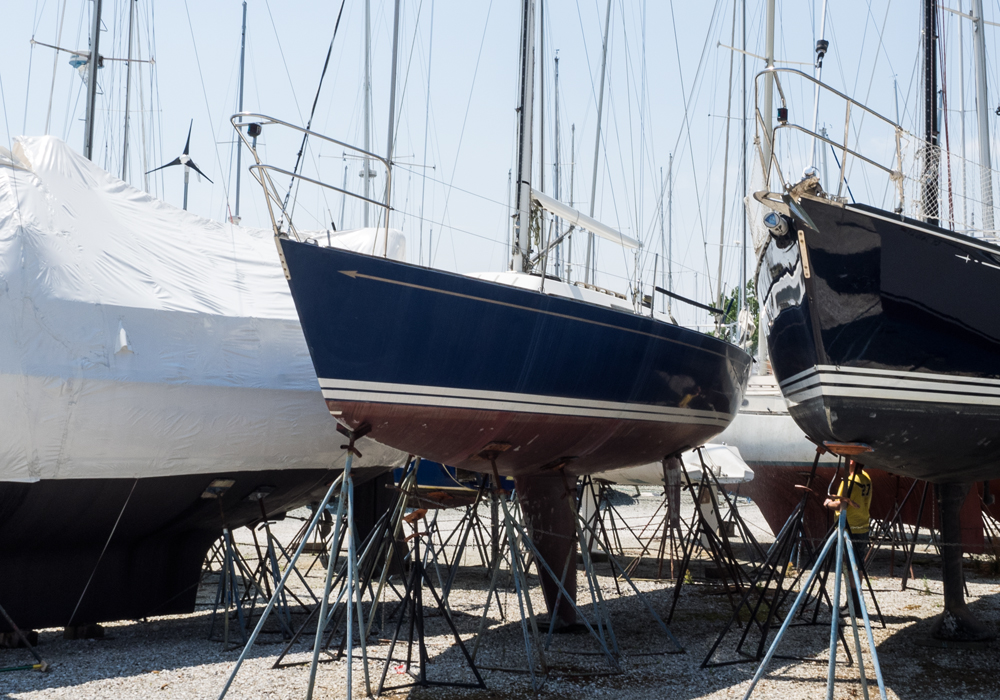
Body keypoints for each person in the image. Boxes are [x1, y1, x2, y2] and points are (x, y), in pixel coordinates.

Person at [823, 459, 872, 614]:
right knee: (858, 564)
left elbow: (840, 504)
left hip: (849, 527)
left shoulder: (849, 481)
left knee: (849, 566)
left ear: (852, 462)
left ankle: (853, 605)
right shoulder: (866, 478)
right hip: (862, 525)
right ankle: (856, 603)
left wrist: (827, 503)